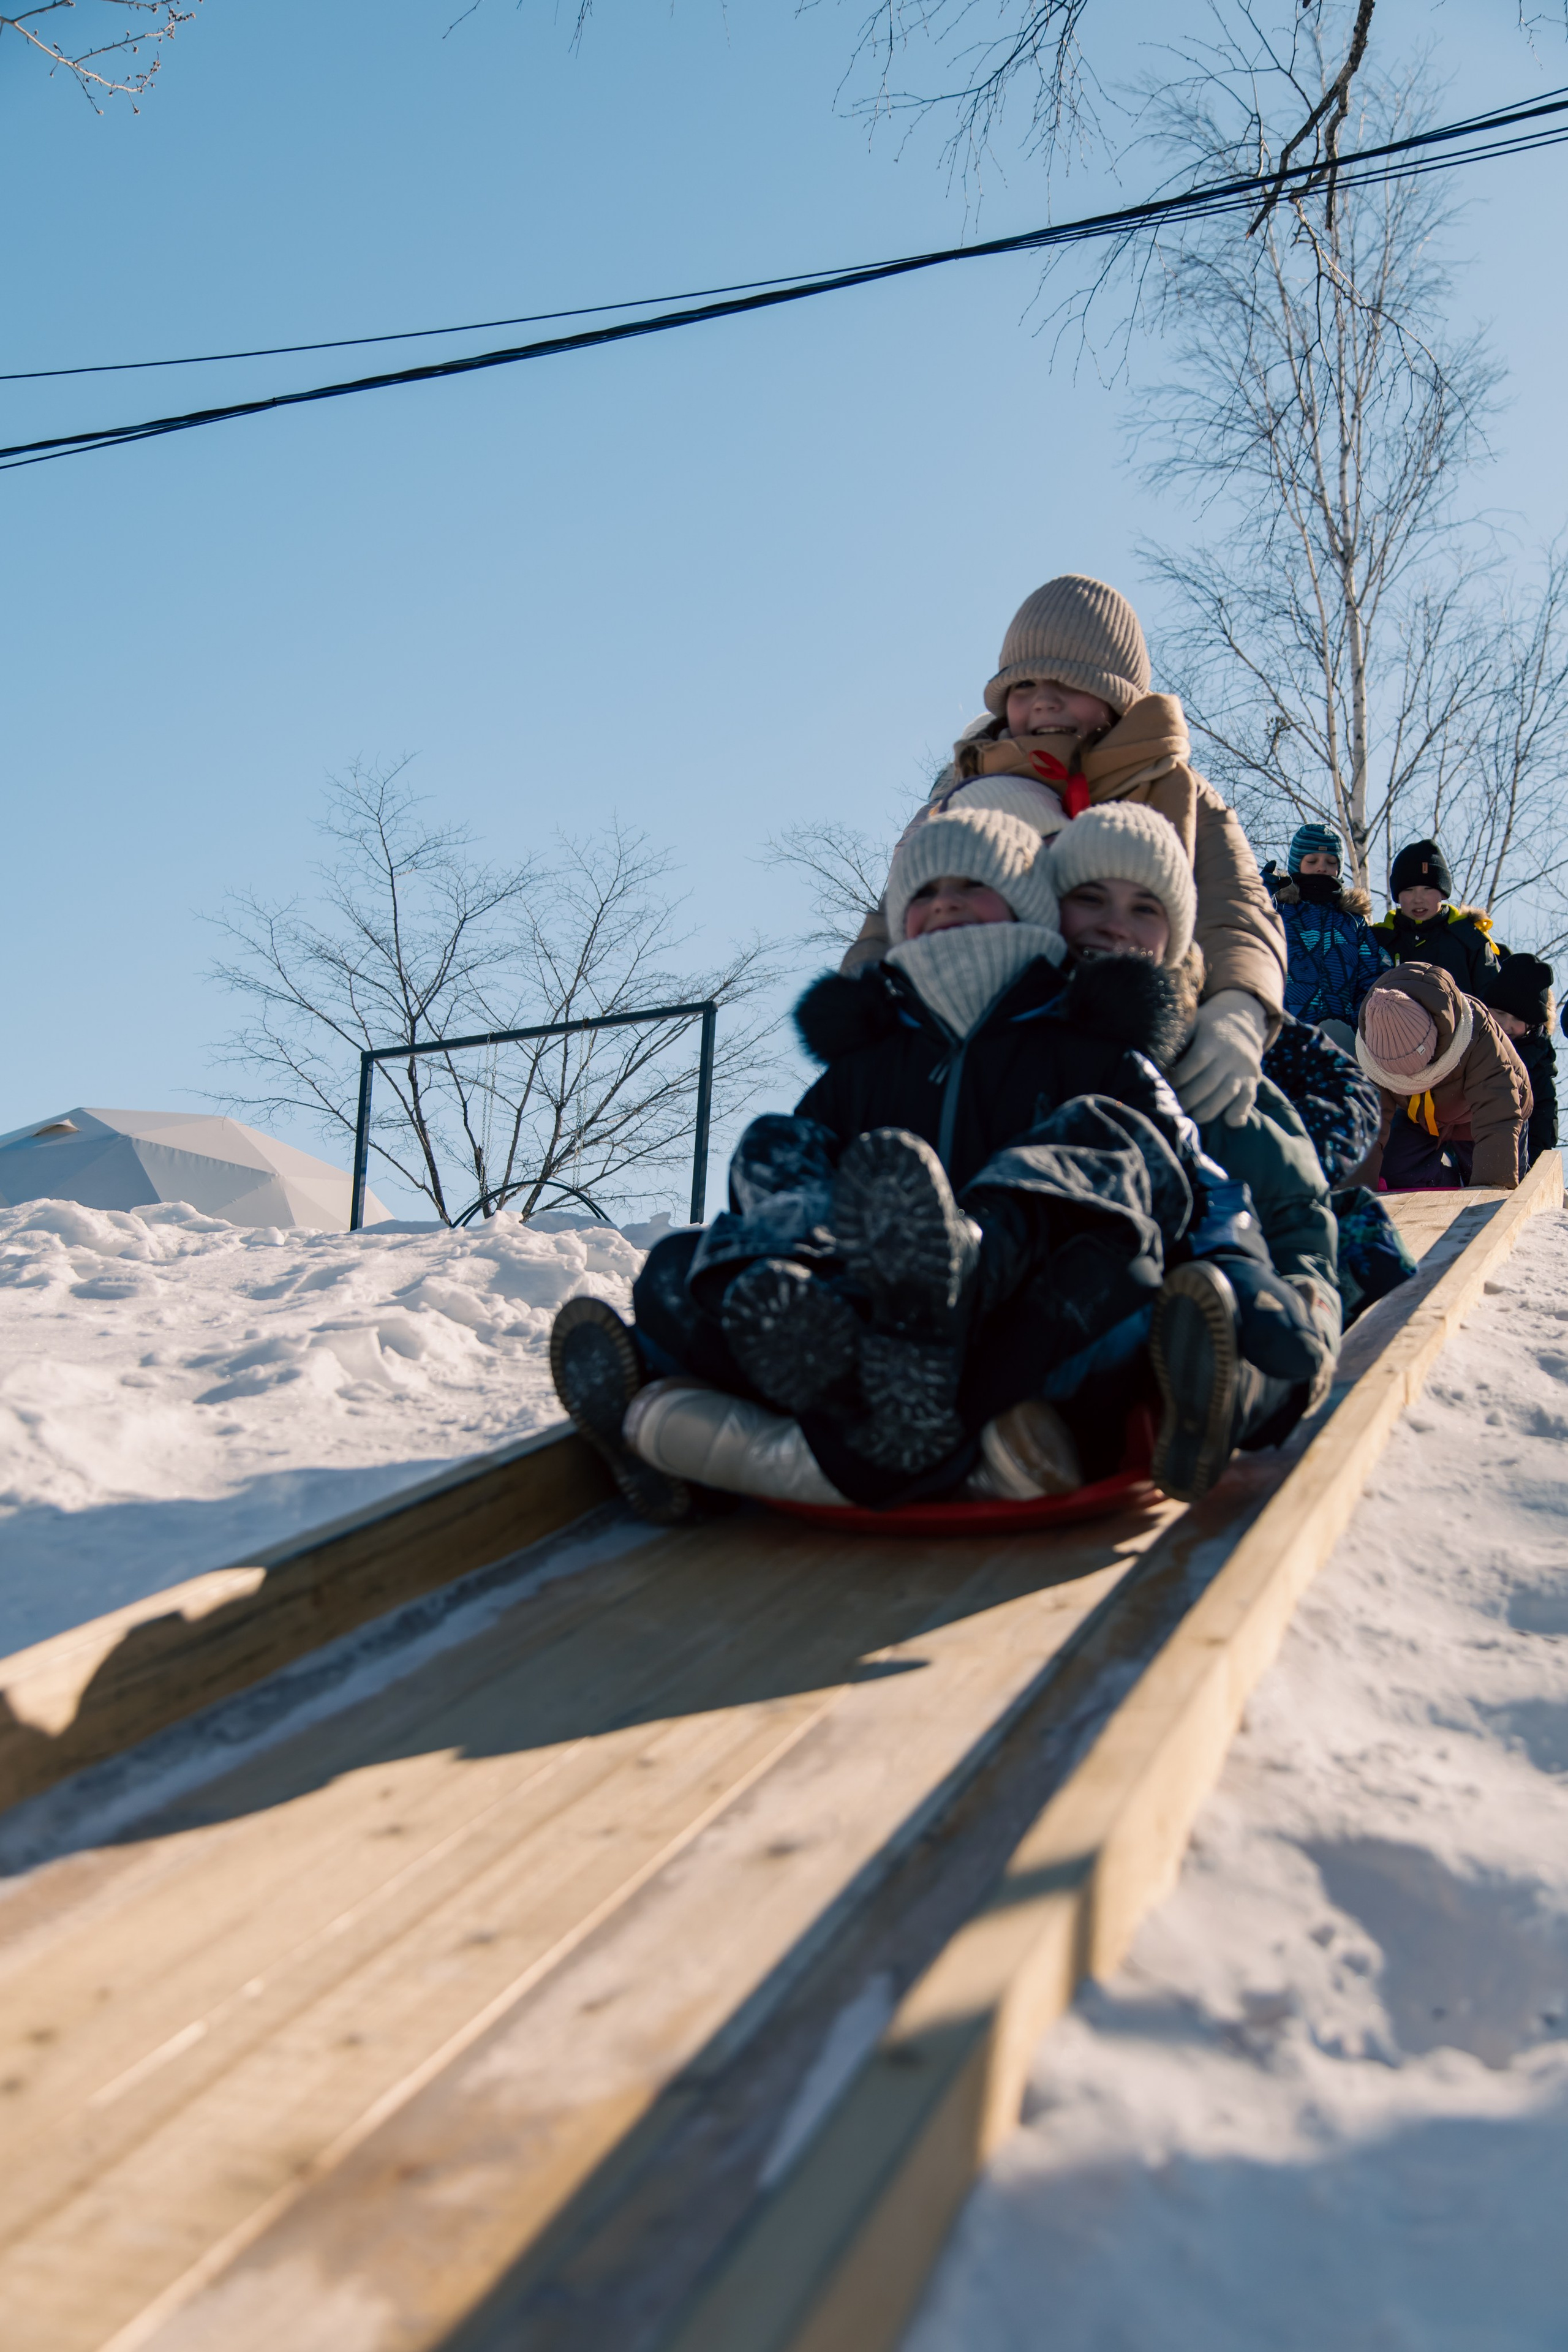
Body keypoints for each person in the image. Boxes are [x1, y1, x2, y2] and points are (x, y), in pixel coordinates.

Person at [550, 804, 1331, 1525]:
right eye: (925, 891)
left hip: (1023, 1322)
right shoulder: (867, 1065)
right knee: (721, 1212)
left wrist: (1242, 1272)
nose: (947, 901)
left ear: (1029, 909)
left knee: (1113, 1180)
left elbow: (1193, 1179)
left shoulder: (1091, 1045)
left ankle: (860, 1371)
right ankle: (780, 1377)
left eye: (973, 885)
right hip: (868, 1332)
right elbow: (765, 1204)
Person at [839, 575, 1287, 1129]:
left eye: (1069, 683)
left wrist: (1239, 1005)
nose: (1044, 700)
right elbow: (900, 912)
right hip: (988, 1038)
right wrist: (864, 1009)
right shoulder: (967, 796)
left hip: (1145, 1040)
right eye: (1023, 687)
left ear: (1118, 694)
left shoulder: (1178, 792)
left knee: (1266, 1111)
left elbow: (1235, 905)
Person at [1355, 963, 1531, 1191]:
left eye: (1415, 1068)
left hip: (1488, 1112)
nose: (1411, 1076)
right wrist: (1353, 1195)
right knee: (1396, 1170)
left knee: (1489, 1170)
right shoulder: (1375, 1040)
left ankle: (1469, 1183)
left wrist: (1490, 1195)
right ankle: (1449, 1184)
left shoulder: (1476, 1033)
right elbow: (1368, 1128)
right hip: (1423, 1115)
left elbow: (1497, 1115)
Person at [1266, 820, 1388, 1048]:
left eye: (1331, 862)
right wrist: (1258, 896)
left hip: (1341, 1039)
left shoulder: (1353, 922)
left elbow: (1373, 979)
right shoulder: (1278, 911)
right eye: (1312, 861)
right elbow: (1244, 942)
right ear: (1296, 865)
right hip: (1281, 1033)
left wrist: (1357, 1027)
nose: (1322, 867)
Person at [1373, 840, 1499, 994]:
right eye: (1409, 890)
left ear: (1443, 893)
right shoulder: (1379, 939)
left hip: (1460, 1017)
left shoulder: (1468, 937)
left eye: (1427, 889)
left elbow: (1493, 996)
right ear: (1398, 896)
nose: (1418, 899)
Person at [1484, 954, 1558, 1169]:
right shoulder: (1470, 1035)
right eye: (1499, 1013)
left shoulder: (1539, 1066)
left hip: (1510, 1156)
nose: (1506, 1025)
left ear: (1532, 1026)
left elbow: (1543, 1122)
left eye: (1518, 1020)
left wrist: (1532, 1168)